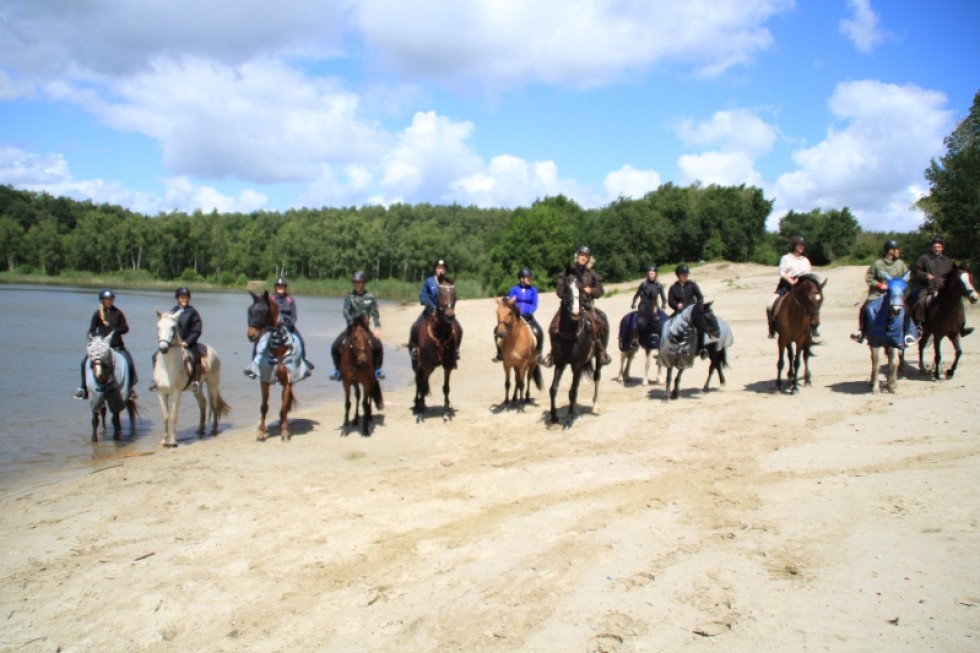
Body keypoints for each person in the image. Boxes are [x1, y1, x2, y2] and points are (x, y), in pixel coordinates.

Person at [546, 245, 612, 366]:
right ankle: (552, 355)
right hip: (568, 307)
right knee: (552, 327)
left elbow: (601, 290)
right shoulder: (567, 271)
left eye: (586, 256)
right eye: (581, 255)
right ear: (577, 256)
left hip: (586, 307)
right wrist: (566, 295)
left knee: (598, 326)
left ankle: (601, 352)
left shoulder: (592, 274)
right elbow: (559, 289)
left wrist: (591, 291)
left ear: (588, 259)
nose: (583, 258)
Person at [73, 289, 138, 400]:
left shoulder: (118, 313)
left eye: (110, 299)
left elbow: (125, 328)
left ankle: (130, 389)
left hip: (116, 345)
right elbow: (91, 330)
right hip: (101, 348)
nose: (109, 301)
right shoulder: (97, 314)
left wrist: (116, 331)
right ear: (102, 300)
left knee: (129, 361)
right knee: (83, 362)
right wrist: (98, 338)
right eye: (106, 299)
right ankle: (83, 388)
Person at [244, 277, 314, 379]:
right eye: (278, 286)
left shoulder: (290, 300)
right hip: (271, 327)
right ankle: (253, 368)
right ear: (275, 287)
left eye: (282, 286)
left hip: (288, 326)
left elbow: (294, 316)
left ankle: (303, 366)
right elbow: (264, 313)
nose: (280, 288)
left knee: (301, 341)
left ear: (285, 288)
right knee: (257, 342)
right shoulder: (270, 299)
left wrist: (289, 325)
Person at [850, 240, 912, 344]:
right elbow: (869, 277)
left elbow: (907, 275)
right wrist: (879, 284)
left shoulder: (900, 263)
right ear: (890, 251)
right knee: (864, 308)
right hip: (878, 293)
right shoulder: (877, 264)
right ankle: (861, 331)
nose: (898, 251)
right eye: (896, 249)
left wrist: (900, 284)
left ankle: (907, 334)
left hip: (895, 294)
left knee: (907, 309)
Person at [329, 271, 386, 381]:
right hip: (352, 328)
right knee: (334, 346)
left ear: (364, 283)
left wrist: (377, 328)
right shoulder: (349, 297)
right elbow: (346, 312)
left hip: (365, 329)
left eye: (359, 282)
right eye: (355, 282)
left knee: (378, 346)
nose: (357, 284)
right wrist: (352, 321)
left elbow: (375, 313)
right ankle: (337, 370)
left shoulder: (370, 297)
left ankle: (378, 370)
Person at [910, 236, 972, 336]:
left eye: (939, 247)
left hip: (944, 288)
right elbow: (915, 271)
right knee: (921, 301)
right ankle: (919, 325)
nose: (936, 249)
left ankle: (962, 326)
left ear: (942, 248)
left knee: (958, 302)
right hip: (928, 287)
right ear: (931, 247)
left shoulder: (948, 261)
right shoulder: (924, 258)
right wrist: (926, 275)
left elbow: (953, 274)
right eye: (935, 247)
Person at [149, 287, 203, 393]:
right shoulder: (172, 311)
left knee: (196, 357)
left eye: (186, 297)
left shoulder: (192, 312)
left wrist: (187, 341)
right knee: (155, 356)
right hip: (174, 344)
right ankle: (156, 381)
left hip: (189, 343)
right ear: (178, 298)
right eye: (182, 297)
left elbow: (197, 329)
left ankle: (196, 382)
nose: (184, 299)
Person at [408, 259, 462, 362]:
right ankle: (414, 349)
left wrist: (450, 308)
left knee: (459, 328)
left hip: (445, 313)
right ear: (435, 270)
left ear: (445, 270)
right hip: (430, 311)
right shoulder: (429, 281)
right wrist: (428, 305)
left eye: (442, 268)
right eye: (438, 268)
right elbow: (423, 295)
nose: (440, 270)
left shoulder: (448, 282)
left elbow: (453, 296)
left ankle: (455, 350)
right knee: (415, 326)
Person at [767, 235, 817, 338]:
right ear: (794, 246)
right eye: (799, 245)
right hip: (786, 285)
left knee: (813, 303)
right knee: (770, 304)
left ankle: (813, 327)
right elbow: (782, 272)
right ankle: (772, 327)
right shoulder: (786, 258)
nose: (802, 247)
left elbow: (808, 273)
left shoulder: (805, 260)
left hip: (802, 286)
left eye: (803, 245)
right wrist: (791, 280)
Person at [494, 267, 545, 366]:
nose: (530, 279)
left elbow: (535, 304)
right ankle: (499, 353)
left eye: (530, 278)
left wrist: (530, 311)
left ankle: (539, 355)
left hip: (528, 317)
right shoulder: (514, 289)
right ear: (521, 278)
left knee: (539, 331)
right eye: (528, 277)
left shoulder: (533, 290)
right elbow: (510, 303)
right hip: (516, 316)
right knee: (496, 331)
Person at [631, 265, 666, 347]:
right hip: (644, 305)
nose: (651, 275)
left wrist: (664, 304)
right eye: (650, 274)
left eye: (653, 274)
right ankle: (635, 339)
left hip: (654, 306)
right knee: (640, 322)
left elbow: (663, 298)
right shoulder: (643, 285)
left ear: (655, 274)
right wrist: (633, 303)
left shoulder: (659, 285)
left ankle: (661, 341)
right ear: (647, 274)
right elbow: (637, 295)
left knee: (661, 322)